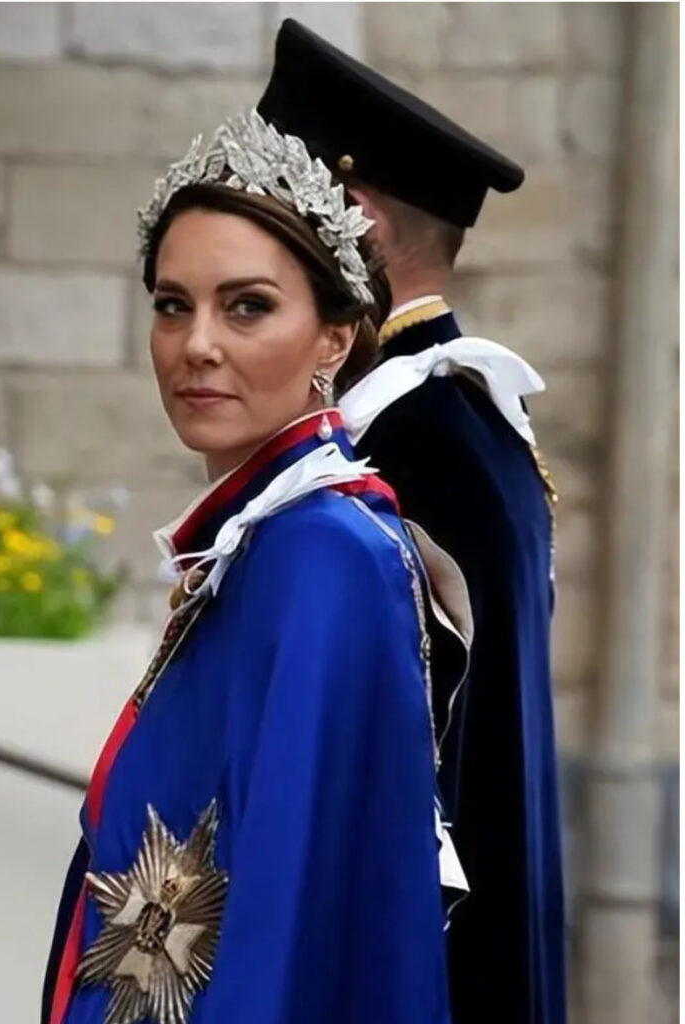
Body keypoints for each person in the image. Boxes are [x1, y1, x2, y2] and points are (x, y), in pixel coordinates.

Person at [42, 109, 472, 1024]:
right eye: (171, 304)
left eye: (247, 306)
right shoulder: (267, 538)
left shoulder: (324, 555)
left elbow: (291, 917)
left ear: (334, 338)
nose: (197, 343)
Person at [258, 19, 566, 1024]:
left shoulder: (406, 441)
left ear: (352, 217)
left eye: (278, 218)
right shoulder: (466, 419)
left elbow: (375, 769)